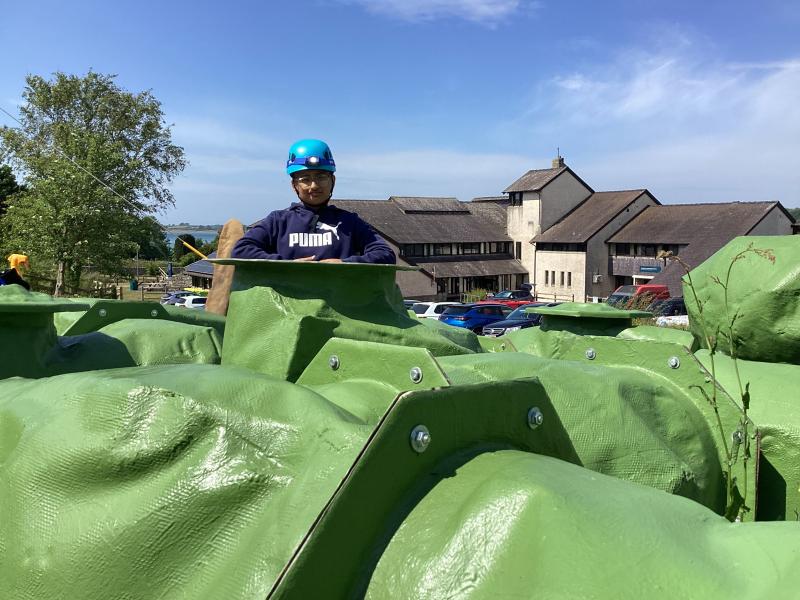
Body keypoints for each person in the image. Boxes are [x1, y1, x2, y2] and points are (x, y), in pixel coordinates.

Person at [232, 139, 396, 264]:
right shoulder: (278, 221)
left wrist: (345, 264)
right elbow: (241, 250)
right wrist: (286, 264)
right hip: (286, 299)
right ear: (294, 185)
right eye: (305, 179)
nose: (314, 185)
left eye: (321, 177)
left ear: (333, 181)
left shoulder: (349, 222)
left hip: (339, 298)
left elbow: (385, 253)